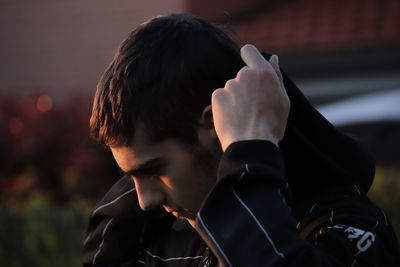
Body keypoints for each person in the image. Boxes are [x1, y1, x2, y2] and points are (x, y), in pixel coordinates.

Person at [83, 13, 400, 266]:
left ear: (217, 125)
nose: (144, 200)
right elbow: (108, 256)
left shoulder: (352, 231)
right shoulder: (211, 242)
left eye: (153, 169)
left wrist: (248, 146)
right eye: (131, 176)